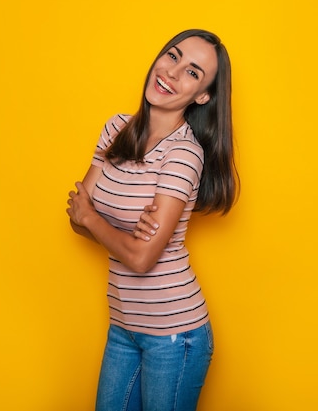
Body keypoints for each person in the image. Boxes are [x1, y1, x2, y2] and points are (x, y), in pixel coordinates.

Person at [66, 29, 238, 411]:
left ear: (203, 96)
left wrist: (97, 221)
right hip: (124, 327)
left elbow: (140, 258)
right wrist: (119, 234)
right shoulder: (115, 128)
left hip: (174, 336)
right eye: (173, 56)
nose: (173, 73)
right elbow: (76, 217)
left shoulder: (183, 154)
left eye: (193, 73)